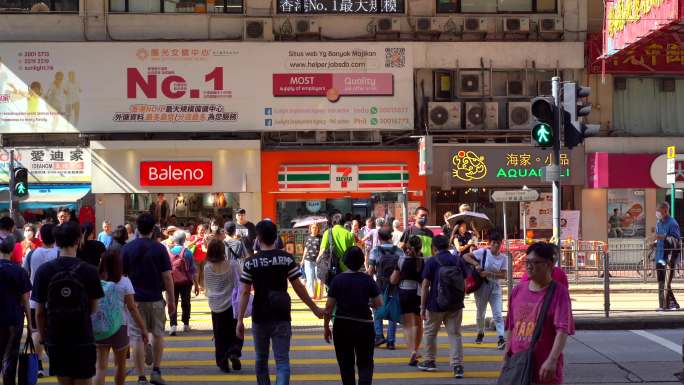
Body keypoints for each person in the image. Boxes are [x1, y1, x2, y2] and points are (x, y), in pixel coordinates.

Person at [236, 220, 325, 385]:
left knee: (261, 360)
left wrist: (240, 320)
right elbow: (298, 286)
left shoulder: (250, 262)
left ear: (258, 238)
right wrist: (314, 308)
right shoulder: (286, 259)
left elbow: (245, 292)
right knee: (282, 361)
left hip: (260, 316)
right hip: (282, 315)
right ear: (276, 237)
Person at [32, 222, 104, 385]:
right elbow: (93, 308)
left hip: (56, 338)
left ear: (56, 242)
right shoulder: (90, 271)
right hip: (82, 336)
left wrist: (44, 339)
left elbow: (39, 313)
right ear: (78, 241)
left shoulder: (44, 271)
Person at [505, 242, 574, 385]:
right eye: (527, 262)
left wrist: (552, 360)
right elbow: (511, 326)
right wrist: (507, 356)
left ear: (549, 265)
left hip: (545, 368)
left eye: (535, 262)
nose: (529, 266)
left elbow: (562, 330)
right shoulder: (518, 290)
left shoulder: (559, 293)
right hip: (518, 364)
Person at [121, 213, 175, 385]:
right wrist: (172, 300)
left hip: (134, 302)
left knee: (136, 337)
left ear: (137, 229)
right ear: (153, 230)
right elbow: (167, 277)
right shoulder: (160, 248)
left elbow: (122, 276)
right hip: (156, 300)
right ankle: (156, 371)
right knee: (158, 334)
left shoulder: (127, 249)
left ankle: (141, 377)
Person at [324, 246, 382, 385]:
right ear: (362, 261)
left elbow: (328, 307)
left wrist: (326, 327)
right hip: (365, 326)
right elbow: (379, 302)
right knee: (366, 362)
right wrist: (369, 303)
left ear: (345, 261)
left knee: (345, 364)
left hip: (342, 325)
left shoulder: (337, 280)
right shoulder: (368, 280)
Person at [94, 251, 150, 385]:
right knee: (120, 365)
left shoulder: (96, 281)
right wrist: (143, 328)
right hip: (120, 327)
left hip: (100, 327)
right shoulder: (124, 281)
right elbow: (132, 308)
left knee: (100, 367)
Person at [418, 235, 467, 378]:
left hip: (435, 304)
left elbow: (425, 285)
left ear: (434, 248)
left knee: (430, 333)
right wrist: (460, 300)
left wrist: (422, 307)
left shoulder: (432, 261)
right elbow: (464, 284)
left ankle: (429, 361)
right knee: (455, 334)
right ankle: (457, 366)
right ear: (448, 245)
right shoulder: (457, 260)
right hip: (455, 305)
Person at [23, 223, 58, 377]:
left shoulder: (32, 254)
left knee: (36, 332)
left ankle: (38, 366)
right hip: (55, 300)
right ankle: (56, 363)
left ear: (41, 237)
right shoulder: (59, 253)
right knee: (55, 332)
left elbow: (25, 273)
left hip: (34, 299)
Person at [462, 231, 507, 349]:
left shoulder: (503, 258)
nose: (496, 245)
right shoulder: (483, 252)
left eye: (498, 243)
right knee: (480, 312)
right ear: (489, 243)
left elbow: (504, 275)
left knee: (497, 313)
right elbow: (465, 256)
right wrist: (476, 264)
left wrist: (490, 273)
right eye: (494, 243)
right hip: (481, 287)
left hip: (495, 287)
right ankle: (480, 332)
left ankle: (501, 338)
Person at [204, 238, 243, 372]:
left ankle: (223, 362)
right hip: (232, 304)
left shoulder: (207, 268)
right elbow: (242, 280)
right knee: (235, 330)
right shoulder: (233, 265)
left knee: (220, 335)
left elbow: (208, 288)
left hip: (216, 305)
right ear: (222, 251)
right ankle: (234, 351)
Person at [0, 234, 31, 385]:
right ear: (13, 250)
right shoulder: (20, 271)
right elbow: (26, 300)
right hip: (14, 319)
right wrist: (30, 324)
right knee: (10, 358)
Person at [389, 235, 424, 366]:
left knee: (408, 324)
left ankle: (412, 351)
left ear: (407, 247)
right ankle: (416, 349)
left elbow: (393, 280)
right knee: (418, 323)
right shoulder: (423, 260)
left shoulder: (401, 260)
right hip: (419, 293)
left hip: (404, 292)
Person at [367, 229, 404, 350]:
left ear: (379, 238)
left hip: (379, 284)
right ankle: (391, 341)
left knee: (377, 308)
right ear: (391, 237)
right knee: (392, 309)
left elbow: (371, 270)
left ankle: (378, 335)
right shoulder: (399, 250)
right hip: (394, 284)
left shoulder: (375, 250)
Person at [167, 230, 199, 335]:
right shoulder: (188, 252)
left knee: (172, 302)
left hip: (172, 281)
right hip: (186, 281)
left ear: (174, 240)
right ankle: (185, 324)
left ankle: (173, 326)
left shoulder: (169, 252)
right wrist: (196, 285)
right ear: (184, 240)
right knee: (186, 302)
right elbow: (193, 270)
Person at [654, 202, 681, 311]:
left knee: (665, 282)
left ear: (665, 210)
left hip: (668, 258)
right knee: (661, 281)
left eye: (659, 211)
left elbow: (675, 241)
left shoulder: (672, 223)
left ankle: (666, 305)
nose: (657, 213)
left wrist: (663, 237)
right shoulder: (658, 223)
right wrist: (654, 243)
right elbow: (658, 238)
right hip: (659, 256)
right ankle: (669, 304)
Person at [301, 223, 322, 298]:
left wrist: (319, 257)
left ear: (318, 229)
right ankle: (311, 294)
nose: (314, 229)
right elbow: (306, 249)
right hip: (308, 260)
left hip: (318, 261)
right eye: (313, 228)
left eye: (316, 228)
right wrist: (302, 260)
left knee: (318, 278)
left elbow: (322, 249)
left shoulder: (320, 237)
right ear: (310, 229)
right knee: (309, 278)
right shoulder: (307, 238)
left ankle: (318, 294)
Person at [188, 224, 207, 292]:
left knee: (203, 273)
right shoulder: (193, 237)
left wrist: (206, 241)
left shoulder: (206, 237)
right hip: (195, 258)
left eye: (204, 230)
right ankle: (195, 286)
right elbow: (188, 246)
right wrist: (195, 241)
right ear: (197, 230)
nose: (202, 231)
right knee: (196, 272)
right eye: (201, 230)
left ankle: (202, 286)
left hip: (205, 258)